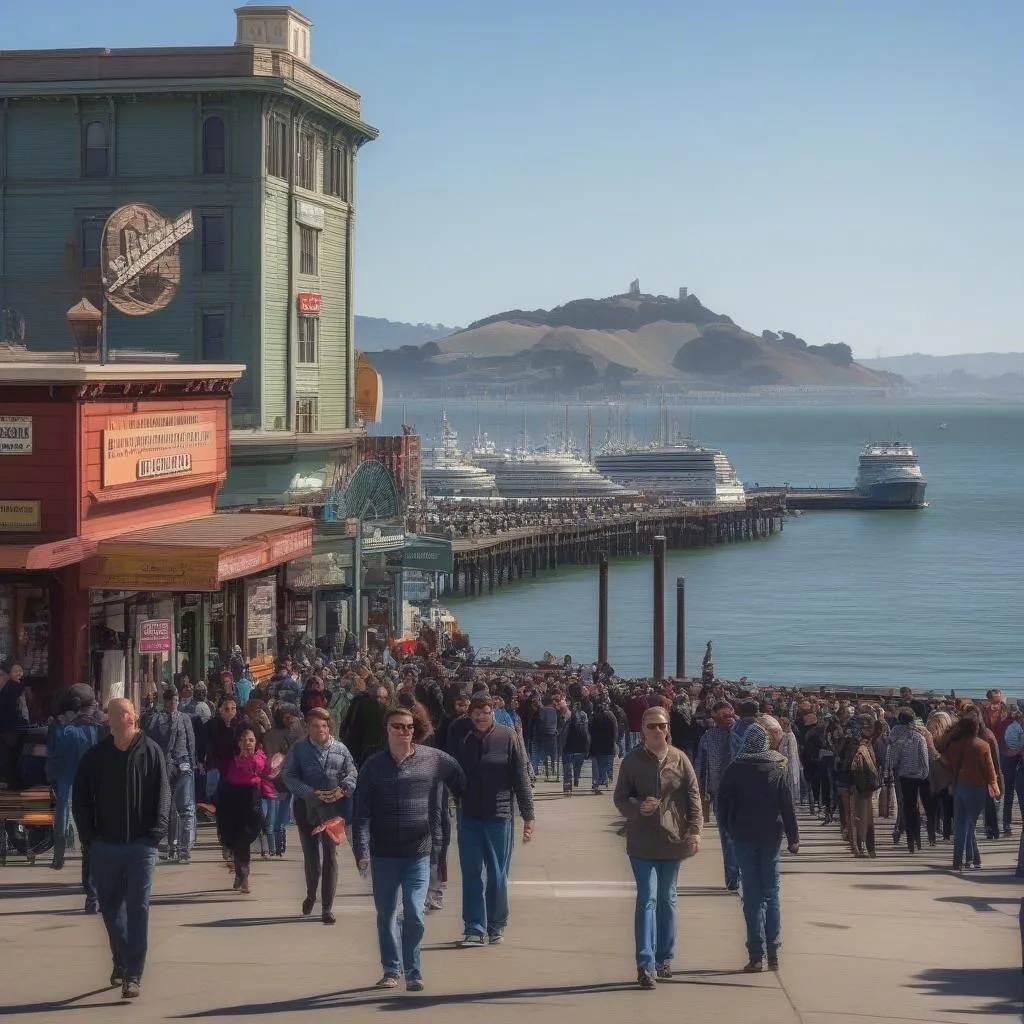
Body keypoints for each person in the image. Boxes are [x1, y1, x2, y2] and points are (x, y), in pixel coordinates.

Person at [353, 705, 466, 992]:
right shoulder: (373, 766)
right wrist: (362, 851)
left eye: (409, 726)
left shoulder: (432, 759)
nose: (404, 731)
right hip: (384, 854)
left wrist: (462, 803)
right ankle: (392, 969)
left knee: (415, 914)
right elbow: (361, 812)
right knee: (387, 914)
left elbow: (458, 777)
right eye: (398, 726)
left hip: (419, 851)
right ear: (387, 730)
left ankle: (413, 971)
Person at [71, 698, 169, 1000]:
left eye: (121, 713)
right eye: (112, 713)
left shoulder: (151, 752)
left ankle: (133, 973)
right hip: (105, 845)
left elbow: (163, 793)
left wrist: (157, 832)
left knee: (138, 907)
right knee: (112, 909)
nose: (112, 718)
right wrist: (90, 838)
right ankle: (121, 958)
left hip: (141, 845)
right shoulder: (95, 757)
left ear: (132, 718)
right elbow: (81, 799)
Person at [613, 705, 702, 989]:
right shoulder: (632, 761)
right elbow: (620, 799)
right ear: (643, 730)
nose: (657, 731)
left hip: (673, 839)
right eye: (651, 726)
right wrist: (639, 807)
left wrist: (696, 830)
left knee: (668, 898)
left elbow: (693, 796)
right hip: (641, 840)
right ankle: (645, 963)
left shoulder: (680, 759)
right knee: (647, 898)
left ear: (668, 729)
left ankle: (664, 957)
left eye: (661, 726)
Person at [449, 693, 535, 946]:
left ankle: (496, 925)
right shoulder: (461, 737)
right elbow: (452, 772)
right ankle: (474, 927)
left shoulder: (507, 736)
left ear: (493, 712)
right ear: (469, 714)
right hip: (469, 815)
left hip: (500, 816)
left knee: (497, 875)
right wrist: (456, 798)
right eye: (475, 712)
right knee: (472, 873)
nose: (480, 716)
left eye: (485, 711)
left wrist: (528, 816)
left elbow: (520, 777)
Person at [716, 718, 799, 973]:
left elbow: (722, 807)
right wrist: (793, 837)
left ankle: (756, 954)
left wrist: (730, 830)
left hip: (743, 837)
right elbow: (787, 806)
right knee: (771, 893)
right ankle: (773, 951)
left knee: (751, 896)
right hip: (771, 837)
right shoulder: (777, 768)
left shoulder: (734, 769)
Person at [282, 708, 358, 924]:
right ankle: (311, 894)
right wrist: (309, 792)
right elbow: (288, 776)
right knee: (312, 857)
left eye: (324, 725)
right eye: (316, 726)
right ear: (308, 727)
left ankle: (327, 907)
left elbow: (352, 772)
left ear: (329, 726)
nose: (321, 730)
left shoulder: (340, 749)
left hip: (333, 809)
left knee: (330, 855)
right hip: (307, 808)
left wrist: (343, 789)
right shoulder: (299, 749)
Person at [45, 684, 108, 910]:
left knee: (62, 810)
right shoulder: (103, 727)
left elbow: (53, 757)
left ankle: (59, 854)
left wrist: (52, 777)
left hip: (67, 775)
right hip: (96, 786)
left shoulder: (63, 729)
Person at [218, 723, 274, 894]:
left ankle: (244, 872)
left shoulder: (260, 759)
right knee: (233, 837)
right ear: (238, 741)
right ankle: (240, 872)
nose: (248, 743)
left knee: (245, 836)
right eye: (244, 739)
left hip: (251, 800)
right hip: (231, 799)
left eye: (251, 740)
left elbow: (267, 774)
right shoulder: (230, 758)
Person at [143, 687, 197, 863]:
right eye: (170, 701)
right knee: (169, 808)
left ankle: (184, 849)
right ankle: (171, 846)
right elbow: (150, 736)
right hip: (165, 766)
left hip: (183, 763)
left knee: (186, 808)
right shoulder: (157, 719)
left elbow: (191, 742)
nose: (173, 704)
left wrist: (193, 763)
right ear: (165, 702)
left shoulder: (185, 719)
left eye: (175, 700)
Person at [942, 714, 999, 871]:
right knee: (970, 825)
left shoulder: (954, 744)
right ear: (976, 727)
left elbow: (949, 765)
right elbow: (989, 770)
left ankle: (958, 859)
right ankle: (971, 859)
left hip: (959, 785)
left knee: (961, 825)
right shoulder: (981, 745)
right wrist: (994, 786)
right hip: (977, 787)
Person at [694, 699, 739, 890]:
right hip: (720, 791)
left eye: (730, 715)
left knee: (738, 835)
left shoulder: (741, 735)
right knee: (727, 836)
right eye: (724, 716)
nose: (728, 719)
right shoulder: (708, 738)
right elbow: (701, 766)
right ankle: (732, 875)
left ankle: (738, 872)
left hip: (741, 791)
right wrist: (701, 792)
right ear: (714, 717)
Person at [261, 703, 304, 857]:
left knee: (273, 813)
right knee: (282, 814)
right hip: (286, 778)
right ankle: (279, 847)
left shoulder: (268, 734)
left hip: (271, 779)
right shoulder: (295, 735)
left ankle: (273, 847)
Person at [886, 709, 931, 853]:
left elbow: (894, 758)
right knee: (916, 808)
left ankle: (910, 842)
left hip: (904, 776)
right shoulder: (919, 736)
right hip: (919, 776)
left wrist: (893, 769)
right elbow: (924, 759)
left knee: (907, 807)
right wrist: (924, 775)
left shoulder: (895, 735)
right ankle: (918, 840)